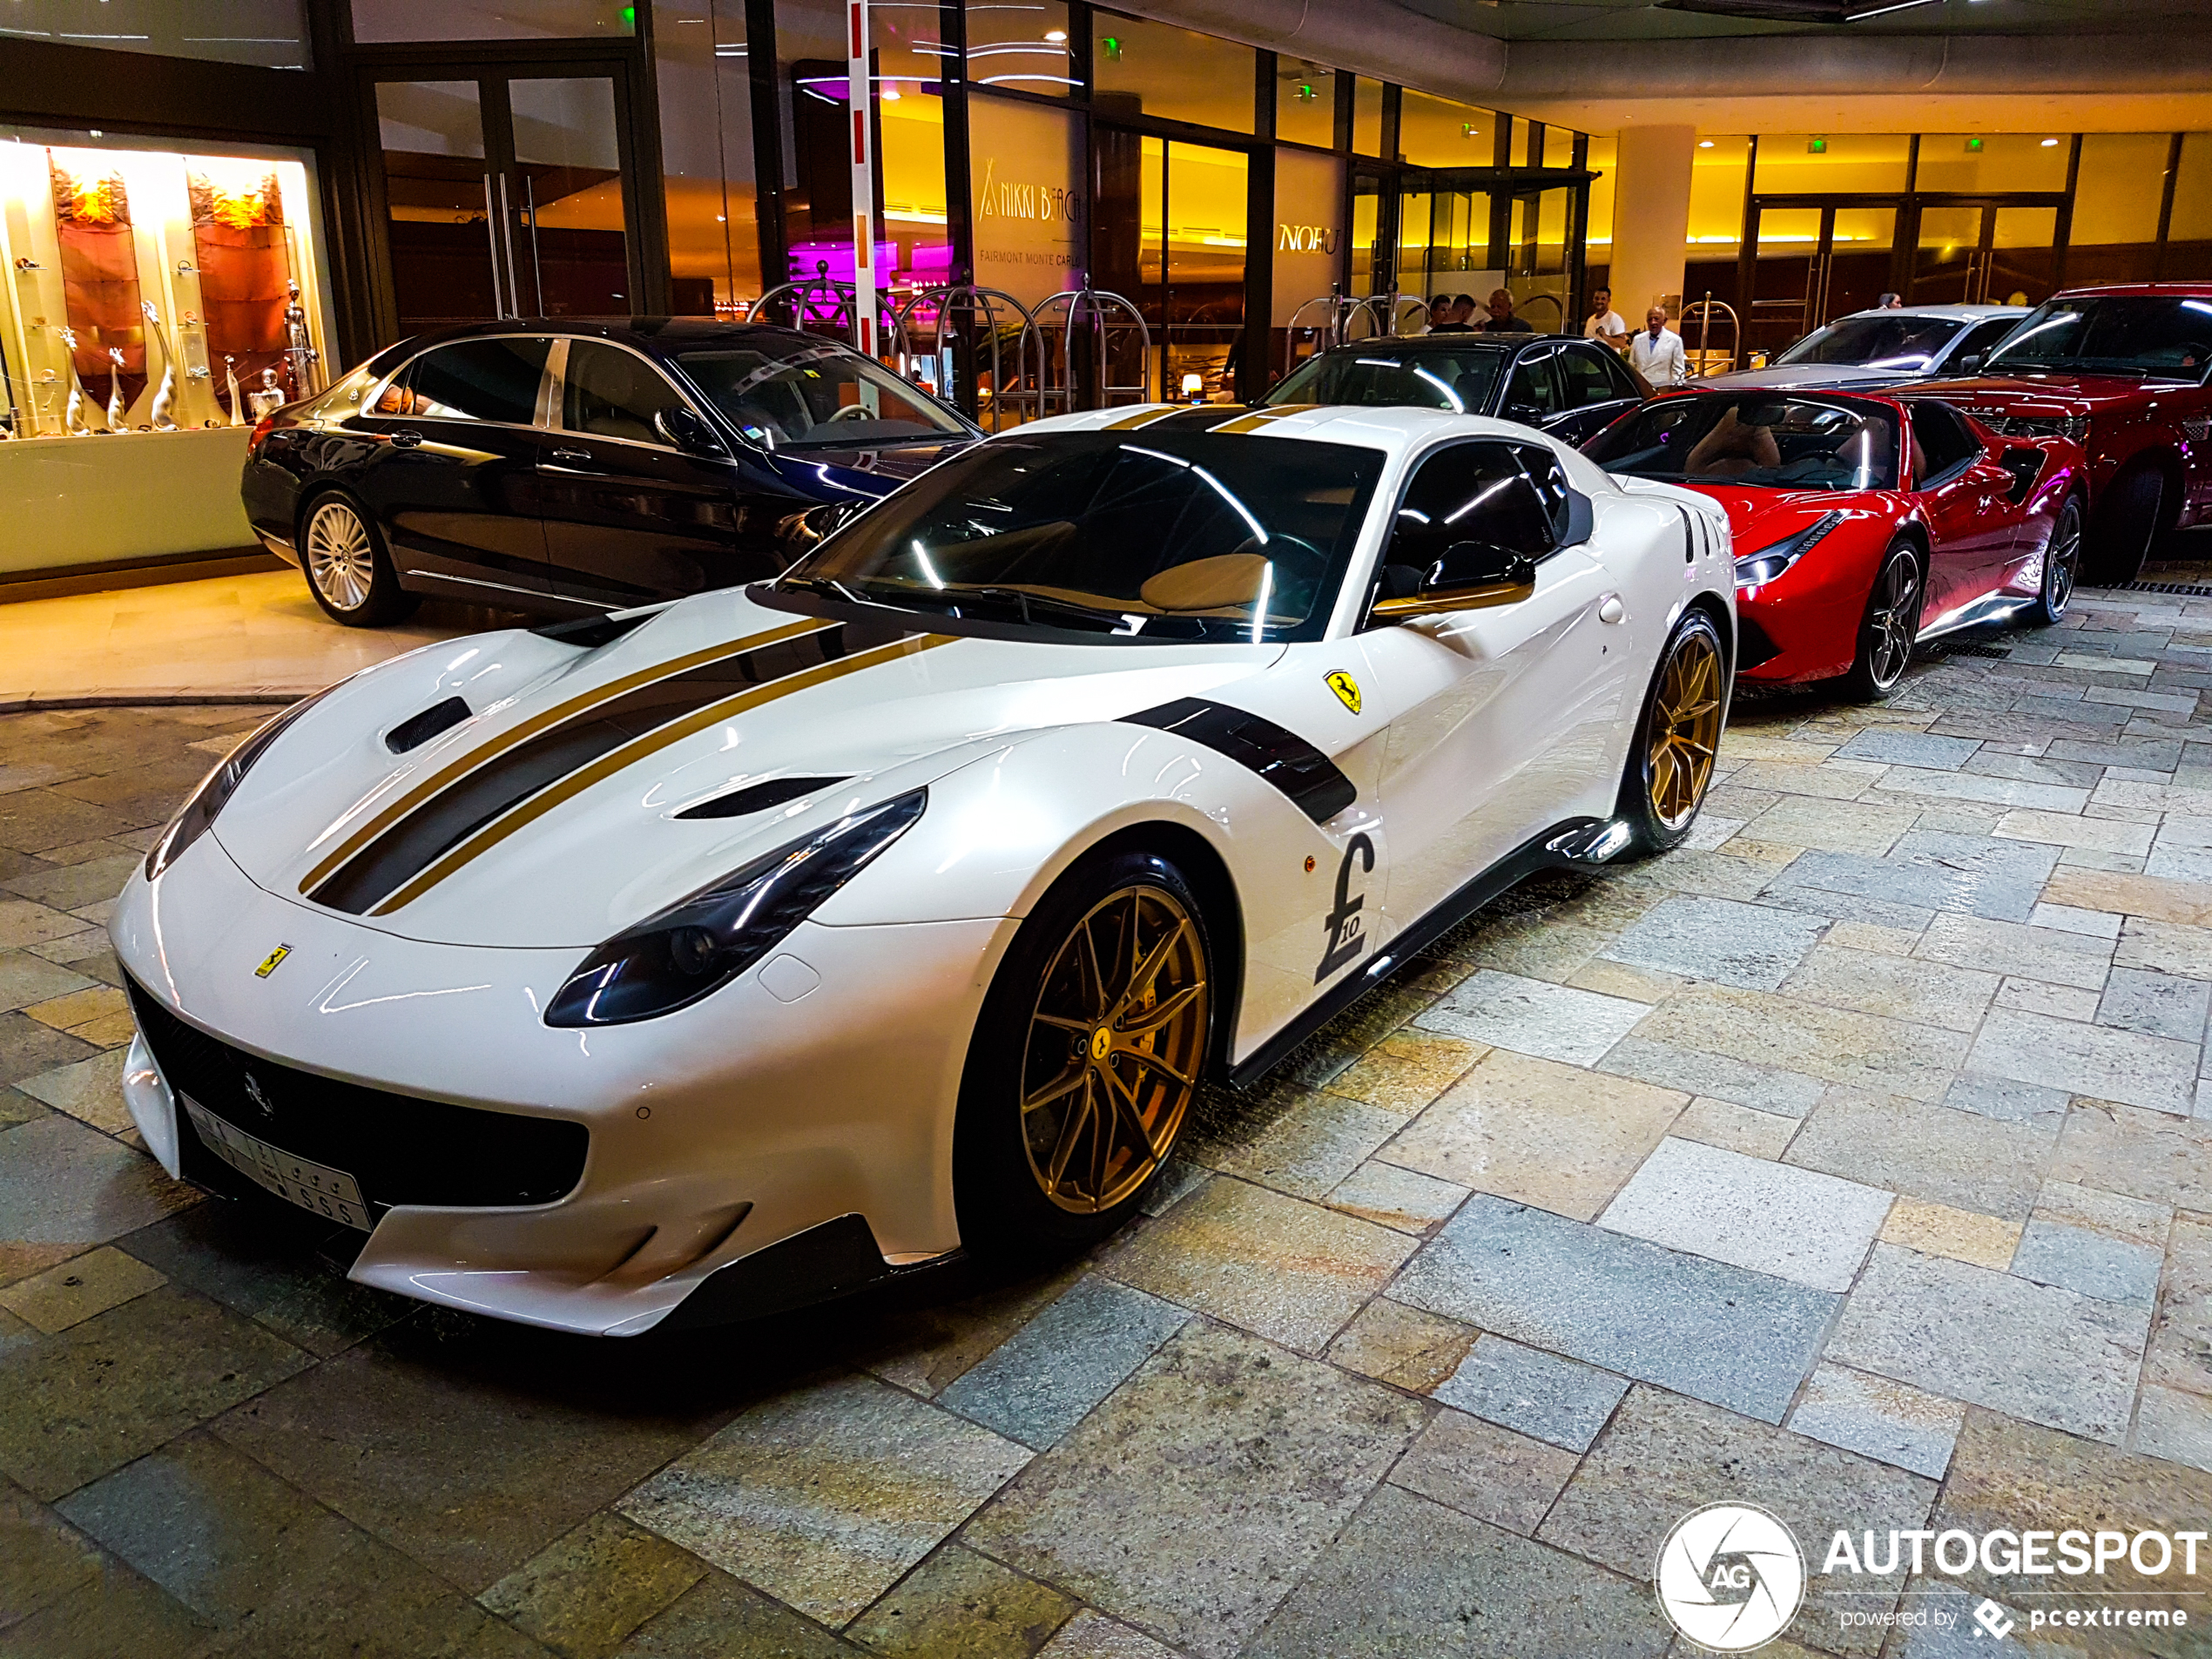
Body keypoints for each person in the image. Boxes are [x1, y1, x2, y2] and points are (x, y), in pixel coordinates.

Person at [1629, 306, 1689, 386]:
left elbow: (1678, 370)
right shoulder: (1637, 339)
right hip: (1641, 387)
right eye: (1650, 319)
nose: (1652, 322)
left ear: (1664, 321)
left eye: (1656, 319)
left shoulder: (1675, 340)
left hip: (1662, 388)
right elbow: (1631, 366)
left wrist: (1673, 389)